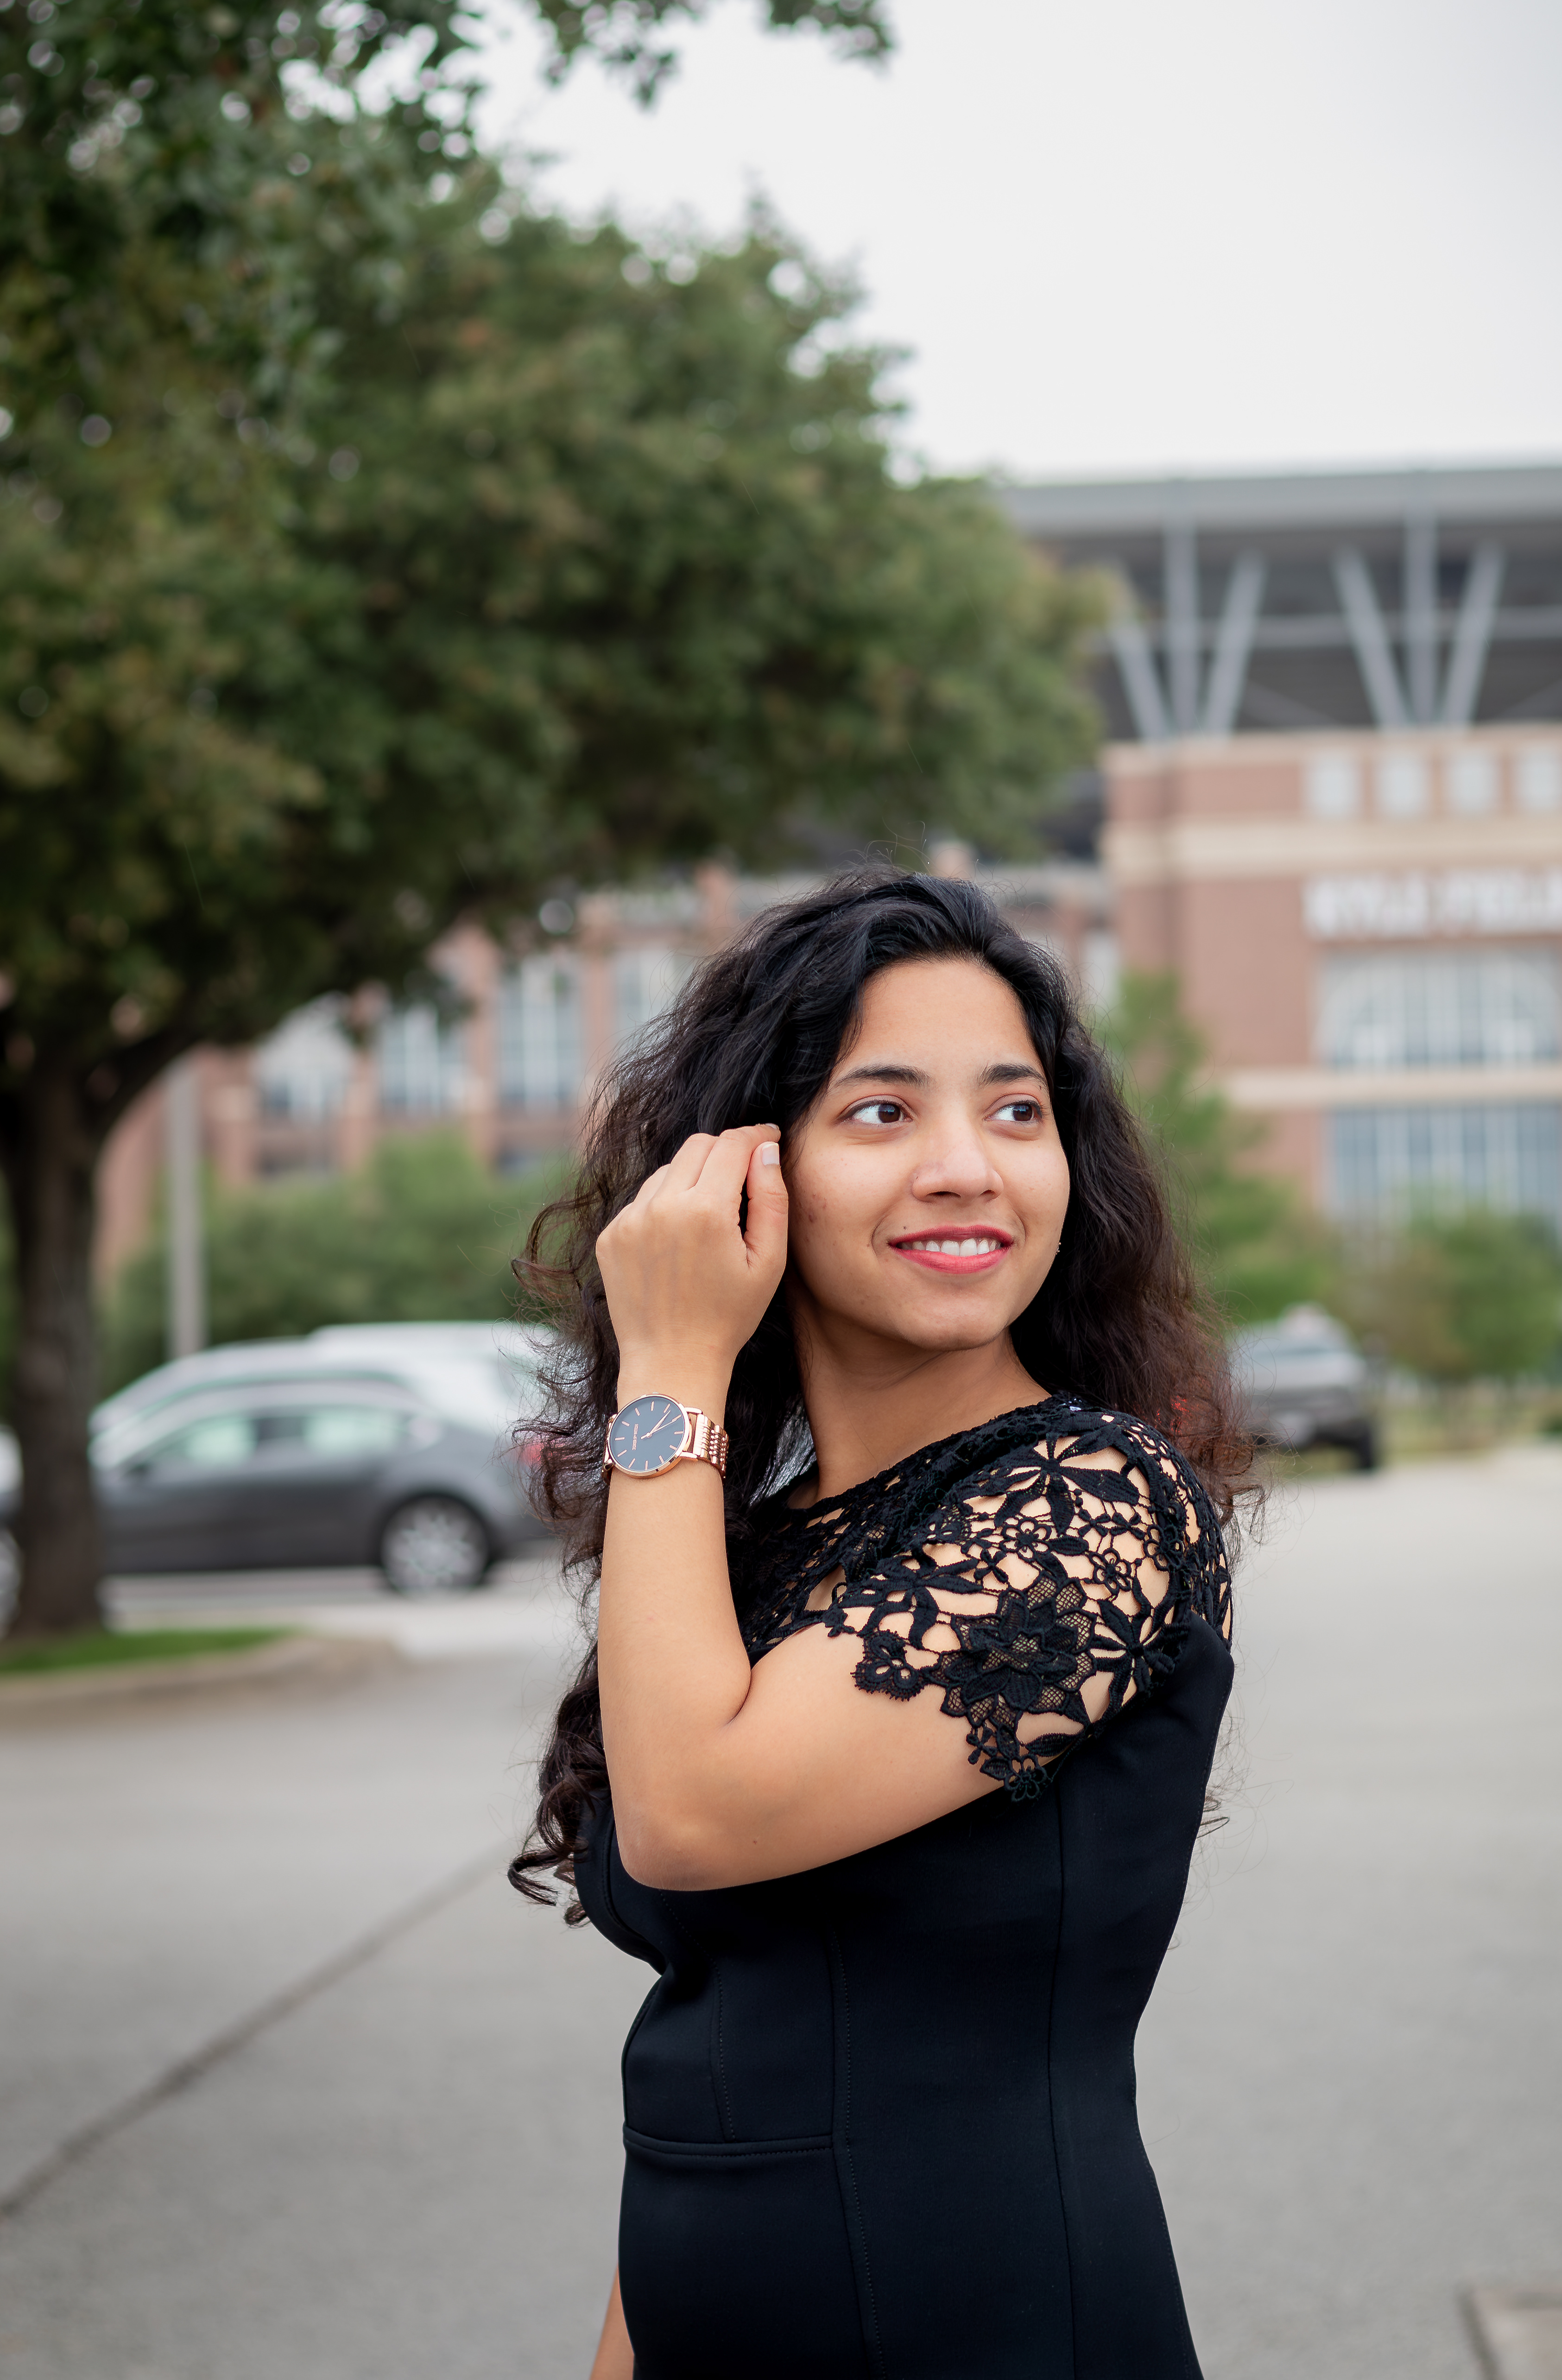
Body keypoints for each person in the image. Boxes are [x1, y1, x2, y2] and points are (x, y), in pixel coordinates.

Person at [512, 870, 1251, 2380]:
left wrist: (672, 1364)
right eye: (883, 1112)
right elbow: (717, 2049)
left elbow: (693, 1819)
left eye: (1016, 1110)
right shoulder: (751, 1541)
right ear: (742, 1174)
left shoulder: (1093, 1504)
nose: (969, 1166)